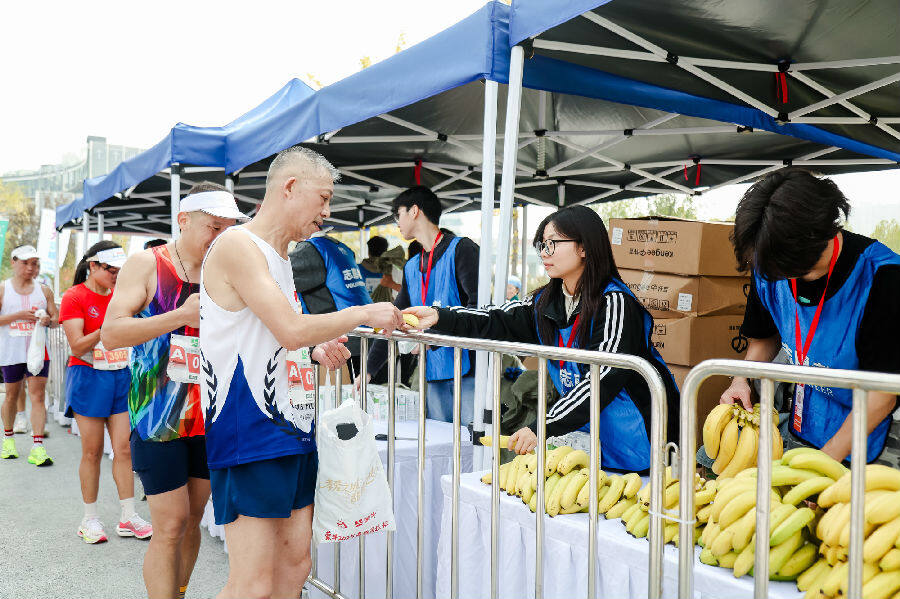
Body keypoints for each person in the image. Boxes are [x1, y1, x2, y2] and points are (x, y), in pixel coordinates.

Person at [199, 145, 403, 599]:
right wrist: (363, 313)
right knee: (252, 582)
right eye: (324, 198)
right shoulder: (237, 245)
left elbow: (277, 334)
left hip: (293, 424)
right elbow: (290, 328)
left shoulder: (283, 256)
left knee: (296, 565)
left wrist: (313, 349)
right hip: (247, 428)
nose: (327, 212)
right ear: (290, 188)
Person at [404, 205, 680, 472]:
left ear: (584, 248)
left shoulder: (616, 303)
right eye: (542, 245)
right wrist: (440, 317)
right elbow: (495, 318)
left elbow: (601, 378)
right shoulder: (545, 302)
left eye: (553, 244)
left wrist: (544, 426)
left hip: (645, 439)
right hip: (594, 440)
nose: (545, 253)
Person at [101, 183, 246, 599]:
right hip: (158, 414)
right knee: (169, 524)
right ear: (183, 220)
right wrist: (178, 315)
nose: (220, 236)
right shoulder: (148, 264)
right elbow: (111, 334)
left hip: (212, 415)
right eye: (212, 226)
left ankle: (178, 592)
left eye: (228, 228)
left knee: (194, 517)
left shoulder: (230, 270)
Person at [721, 168, 900, 465]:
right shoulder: (770, 263)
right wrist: (741, 379)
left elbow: (881, 395)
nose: (776, 277)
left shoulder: (884, 279)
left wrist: (824, 464)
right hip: (808, 420)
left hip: (874, 430)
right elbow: (764, 338)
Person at [58, 241, 152, 544]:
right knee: (92, 451)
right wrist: (109, 328)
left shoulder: (120, 295)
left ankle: (128, 516)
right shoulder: (74, 296)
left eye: (119, 270)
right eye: (110, 269)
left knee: (124, 449)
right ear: (93, 266)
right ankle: (89, 519)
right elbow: (77, 346)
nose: (115, 274)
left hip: (120, 375)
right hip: (88, 376)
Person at [365, 186, 480, 424]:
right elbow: (395, 317)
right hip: (433, 371)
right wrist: (369, 369)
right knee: (441, 443)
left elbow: (479, 308)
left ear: (414, 211)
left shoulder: (462, 249)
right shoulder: (412, 266)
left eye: (399, 214)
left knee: (472, 446)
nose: (397, 222)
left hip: (469, 369)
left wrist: (432, 338)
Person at [0, 245, 58, 464]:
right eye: (25, 262)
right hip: (11, 351)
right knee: (12, 395)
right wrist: (18, 315)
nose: (30, 267)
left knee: (38, 397)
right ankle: (8, 440)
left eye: (34, 263)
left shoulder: (44, 290)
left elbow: (56, 320)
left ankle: (37, 447)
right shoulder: (3, 289)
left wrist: (47, 320)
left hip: (38, 352)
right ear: (14, 262)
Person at [289, 233, 372, 378]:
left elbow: (279, 282)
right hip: (363, 335)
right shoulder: (341, 247)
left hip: (337, 344)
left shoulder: (309, 250)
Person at [358, 235, 403, 302]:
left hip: (364, 309)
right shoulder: (393, 269)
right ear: (385, 252)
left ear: (368, 252)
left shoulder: (357, 269)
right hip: (386, 309)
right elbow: (401, 292)